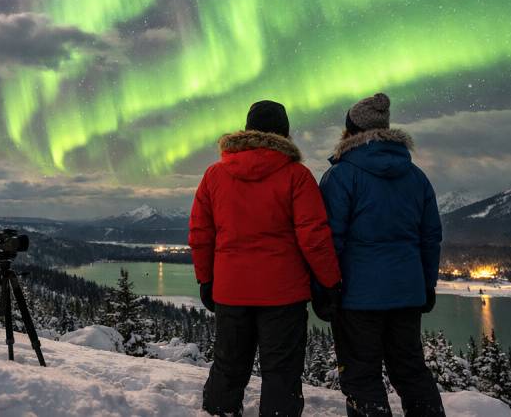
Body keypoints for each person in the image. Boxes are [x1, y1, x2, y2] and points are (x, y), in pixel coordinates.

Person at [189, 100, 342, 417]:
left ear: (246, 130)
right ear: (285, 134)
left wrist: (206, 280)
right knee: (281, 375)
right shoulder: (296, 176)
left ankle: (219, 412)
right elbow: (314, 236)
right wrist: (329, 282)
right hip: (283, 296)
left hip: (232, 293)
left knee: (228, 367)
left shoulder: (215, 175)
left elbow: (201, 234)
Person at [318, 93, 445, 417]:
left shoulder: (341, 176)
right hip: (406, 293)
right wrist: (426, 284)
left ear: (350, 131)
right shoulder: (416, 177)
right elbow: (430, 237)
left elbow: (330, 238)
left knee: (362, 377)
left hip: (358, 297)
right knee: (411, 370)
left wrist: (326, 287)